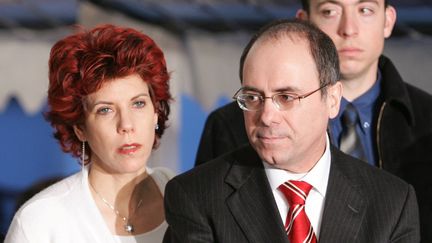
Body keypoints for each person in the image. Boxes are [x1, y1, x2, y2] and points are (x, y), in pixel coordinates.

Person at [164, 19, 420, 242]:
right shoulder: (196, 197)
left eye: (286, 97)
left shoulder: (392, 203)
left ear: (332, 100)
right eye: (253, 97)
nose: (266, 116)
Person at [5, 24, 174, 243]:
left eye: (138, 103)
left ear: (156, 112)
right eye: (105, 110)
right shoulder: (40, 221)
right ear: (80, 128)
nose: (126, 124)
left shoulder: (190, 198)